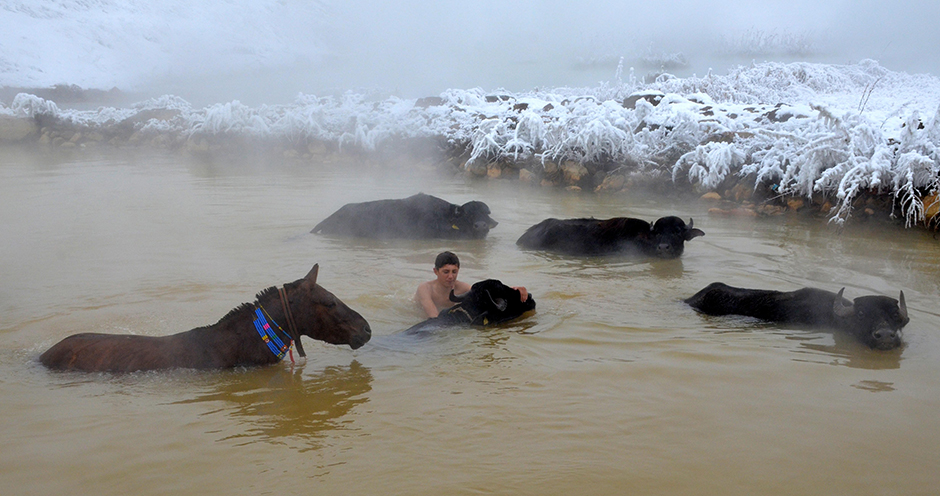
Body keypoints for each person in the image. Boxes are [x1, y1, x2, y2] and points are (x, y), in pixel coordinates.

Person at [415, 251, 528, 318]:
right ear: (436, 271)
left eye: (454, 272)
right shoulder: (425, 289)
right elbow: (434, 318)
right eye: (446, 272)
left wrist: (513, 290)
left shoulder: (463, 288)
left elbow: (483, 293)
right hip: (418, 315)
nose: (451, 276)